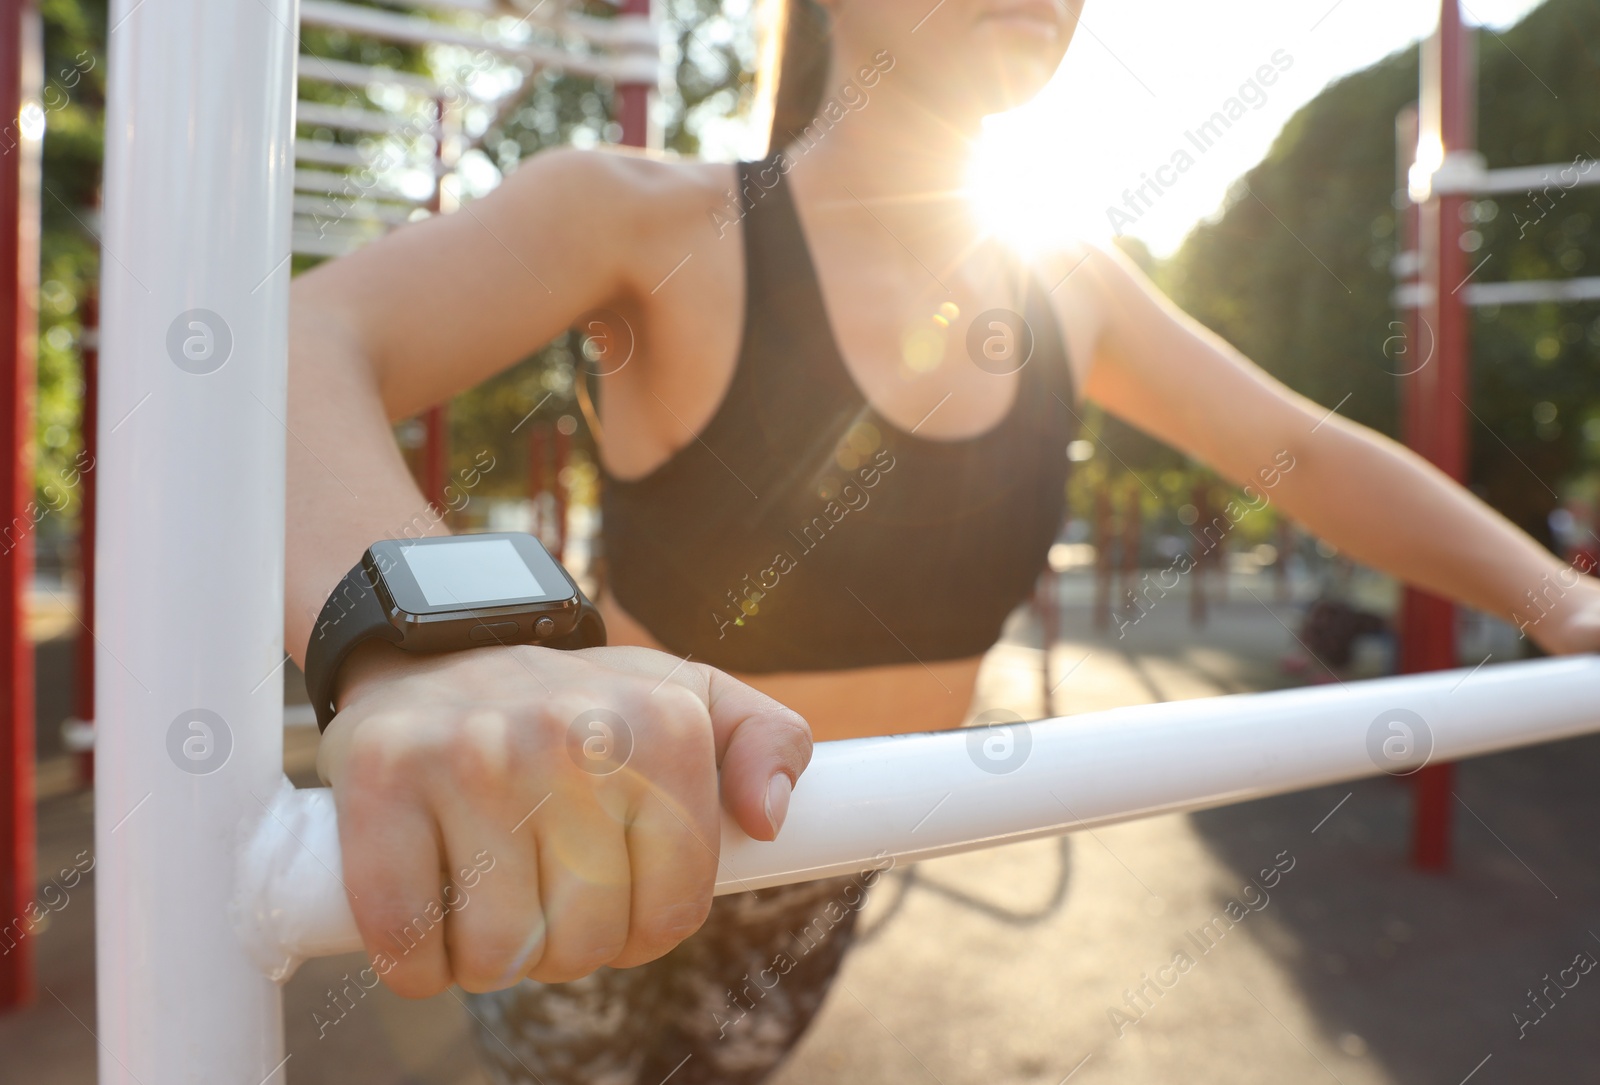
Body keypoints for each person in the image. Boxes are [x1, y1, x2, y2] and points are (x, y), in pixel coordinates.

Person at [285, 1, 1600, 1081]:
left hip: (827, 865)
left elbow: (1299, 449)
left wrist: (1561, 598)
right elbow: (292, 346)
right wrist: (451, 640)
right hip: (608, 813)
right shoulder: (642, 218)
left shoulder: (1066, 283)